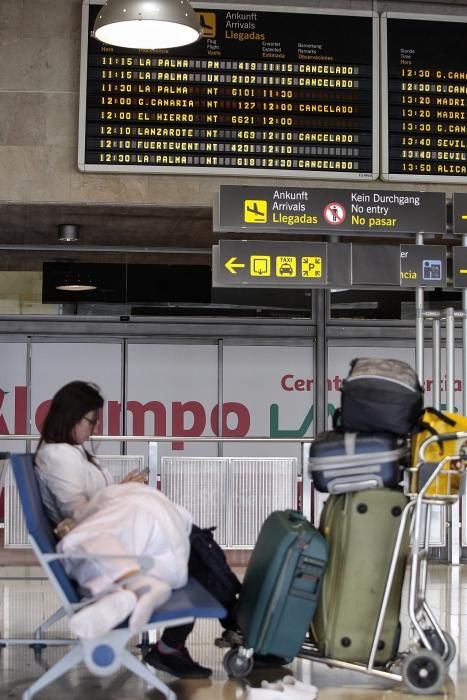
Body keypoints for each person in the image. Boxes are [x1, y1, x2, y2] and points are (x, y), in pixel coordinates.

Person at [34, 380, 240, 679]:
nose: (94, 429)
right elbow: (77, 514)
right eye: (92, 421)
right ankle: (230, 627)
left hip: (120, 537)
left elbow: (93, 506)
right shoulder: (58, 457)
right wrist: (124, 490)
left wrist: (121, 489)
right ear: (73, 416)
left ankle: (222, 627)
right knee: (199, 551)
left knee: (199, 547)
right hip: (111, 546)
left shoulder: (70, 453)